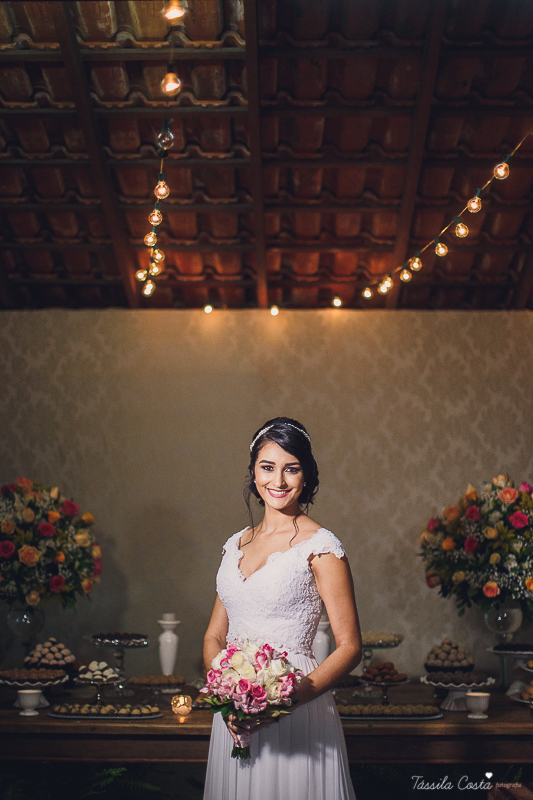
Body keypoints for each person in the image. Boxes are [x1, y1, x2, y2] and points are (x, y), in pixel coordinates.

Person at [203, 417, 362, 800]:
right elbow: (214, 636)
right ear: (253, 472)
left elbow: (350, 647)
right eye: (267, 467)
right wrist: (229, 695)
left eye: (291, 468)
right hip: (235, 713)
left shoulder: (321, 546)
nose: (278, 481)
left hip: (298, 703)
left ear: (306, 475)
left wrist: (281, 704)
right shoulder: (234, 544)